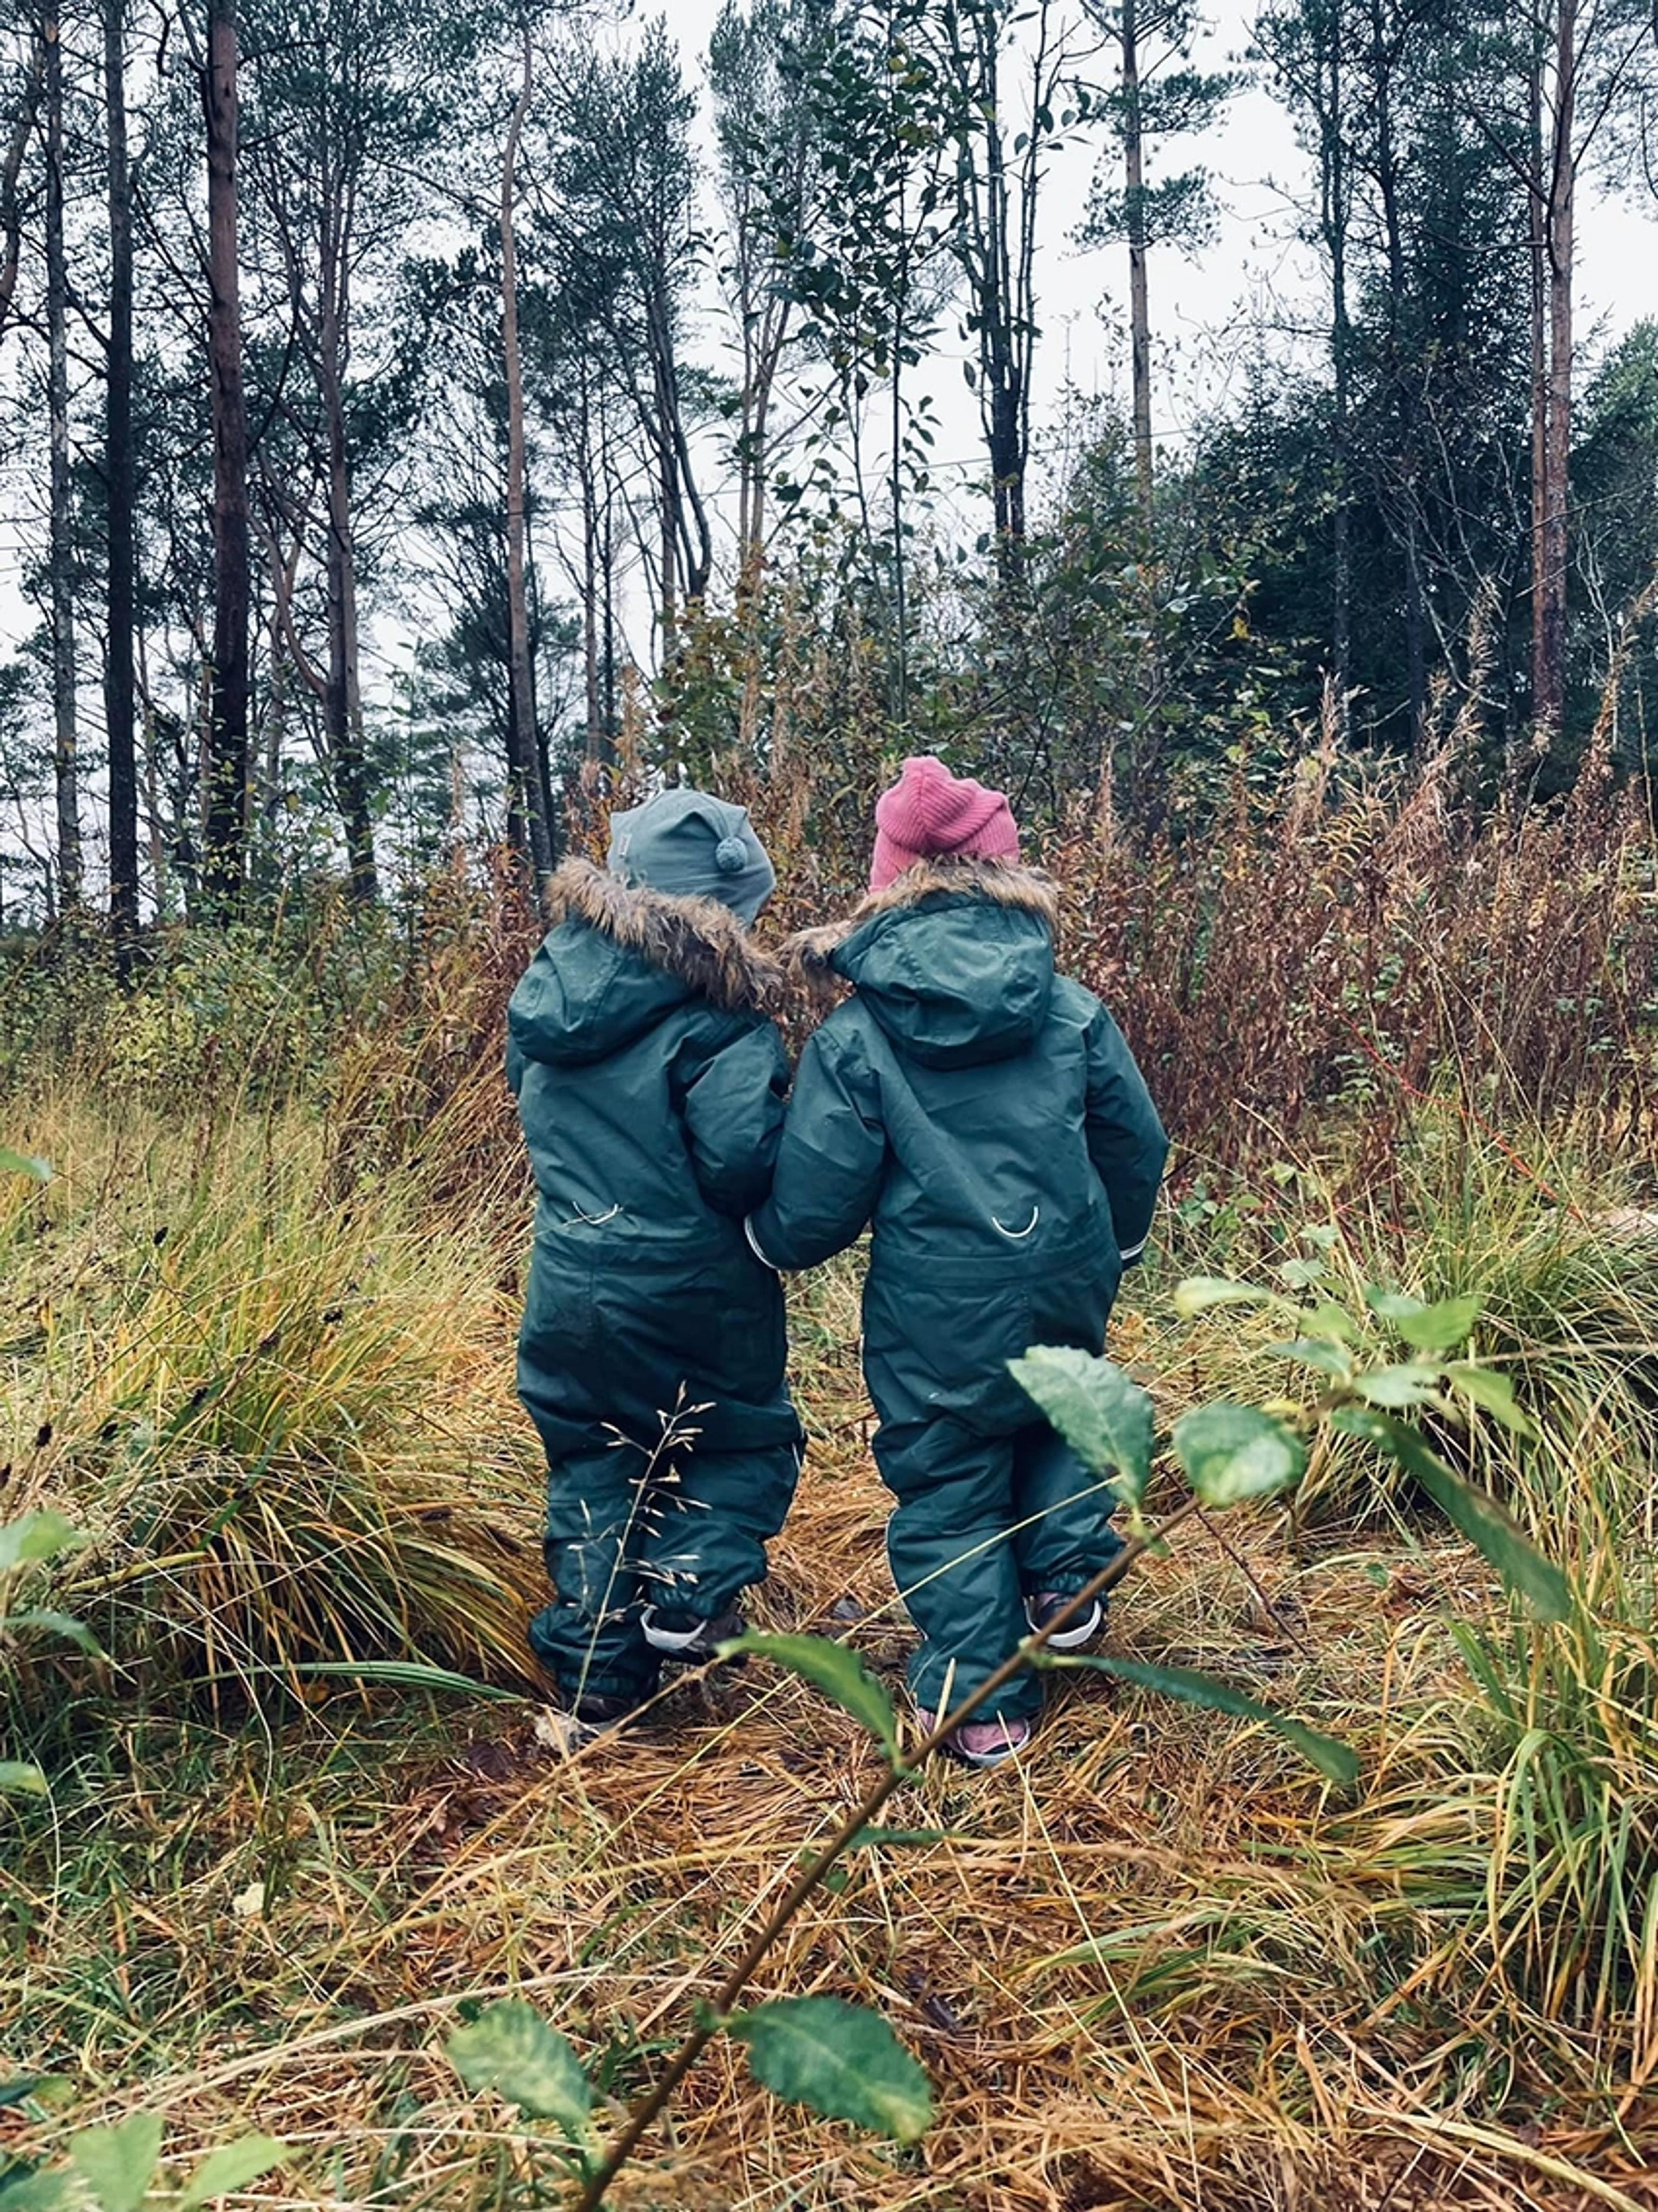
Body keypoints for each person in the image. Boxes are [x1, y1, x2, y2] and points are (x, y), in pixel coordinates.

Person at [746, 756, 1167, 1768]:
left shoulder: (861, 1035)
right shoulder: (1069, 1009)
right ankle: (1069, 1575)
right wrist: (1120, 1237)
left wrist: (774, 1241)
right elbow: (1135, 1140)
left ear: (889, 884)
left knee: (947, 1476)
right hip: (1064, 1273)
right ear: (1005, 871)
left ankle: (983, 1697)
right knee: (1056, 1411)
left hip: (937, 1309)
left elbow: (820, 1190)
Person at [508, 789, 803, 1733]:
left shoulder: (549, 1000)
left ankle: (596, 1672)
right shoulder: (721, 1023)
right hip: (693, 1285)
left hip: (568, 1278)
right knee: (737, 1437)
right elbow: (737, 1163)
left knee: (594, 1455)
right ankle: (686, 1594)